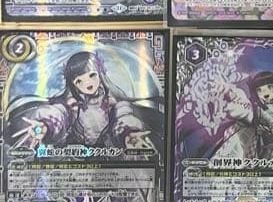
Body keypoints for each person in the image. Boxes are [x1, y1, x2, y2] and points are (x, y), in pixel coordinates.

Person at [6, 51, 163, 152]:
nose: (87, 83)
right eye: (79, 81)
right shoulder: (71, 104)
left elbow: (124, 116)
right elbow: (58, 113)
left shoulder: (113, 102)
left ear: (101, 74)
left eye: (92, 75)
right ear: (73, 84)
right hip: (74, 156)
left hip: (106, 157)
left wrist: (129, 133)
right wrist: (45, 125)